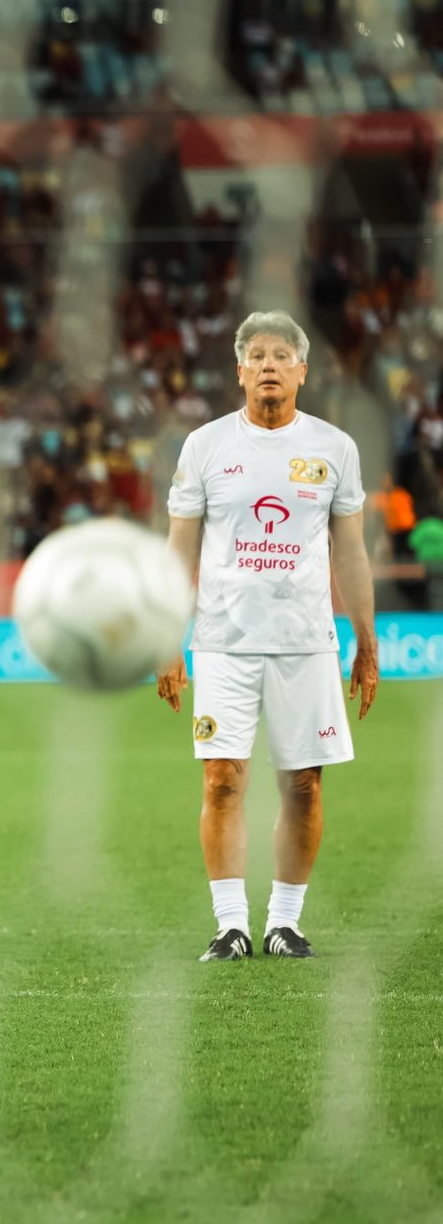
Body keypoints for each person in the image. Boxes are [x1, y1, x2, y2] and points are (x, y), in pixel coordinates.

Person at [157, 310, 378, 961]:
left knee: (303, 783)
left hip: (307, 644)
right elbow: (179, 551)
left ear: (303, 371)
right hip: (222, 643)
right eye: (257, 355)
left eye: (282, 355)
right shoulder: (205, 446)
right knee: (221, 780)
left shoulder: (334, 448)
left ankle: (285, 922)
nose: (270, 365)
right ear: (240, 370)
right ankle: (231, 926)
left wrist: (367, 642)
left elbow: (353, 555)